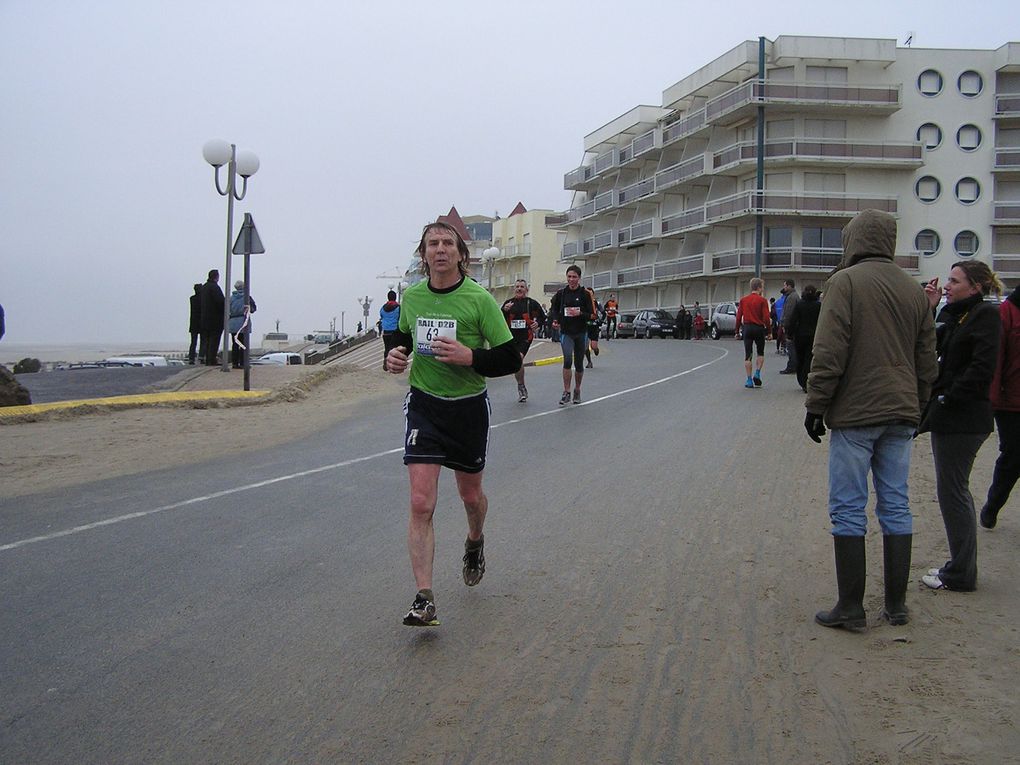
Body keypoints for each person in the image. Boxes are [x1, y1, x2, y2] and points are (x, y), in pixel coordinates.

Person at [805, 209, 937, 630]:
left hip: (857, 412)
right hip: (901, 411)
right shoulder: (913, 290)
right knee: (896, 504)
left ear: (854, 240)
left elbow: (829, 350)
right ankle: (896, 607)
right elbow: (926, 360)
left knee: (848, 507)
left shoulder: (844, 282)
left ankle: (851, 606)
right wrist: (917, 405)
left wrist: (816, 405)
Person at [385, 221, 521, 627]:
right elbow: (403, 338)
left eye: (447, 243)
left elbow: (510, 358)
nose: (440, 250)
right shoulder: (412, 297)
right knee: (420, 501)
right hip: (424, 406)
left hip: (467, 409)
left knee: (469, 495)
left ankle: (475, 541)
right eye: (432, 244)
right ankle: (424, 597)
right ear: (423, 255)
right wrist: (394, 356)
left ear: (461, 253)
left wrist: (470, 358)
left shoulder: (478, 300)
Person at [918, 261, 1001, 592]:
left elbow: (982, 367)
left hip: (963, 418)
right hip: (954, 416)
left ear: (976, 286)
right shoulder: (957, 316)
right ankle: (960, 567)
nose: (947, 285)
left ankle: (961, 574)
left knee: (952, 492)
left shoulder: (985, 316)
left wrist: (946, 399)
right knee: (953, 491)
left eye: (954, 281)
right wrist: (931, 308)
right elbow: (929, 348)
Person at [983, 286, 1020, 529]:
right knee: (1014, 456)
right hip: (1011, 402)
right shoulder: (1008, 311)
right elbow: (996, 359)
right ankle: (993, 504)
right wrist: (992, 400)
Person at [550, 264, 596, 405]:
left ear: (579, 278)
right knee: (567, 361)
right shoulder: (561, 294)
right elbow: (554, 310)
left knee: (579, 364)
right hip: (566, 333)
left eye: (574, 277)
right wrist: (555, 321)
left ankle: (577, 390)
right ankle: (566, 391)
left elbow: (593, 315)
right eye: (569, 277)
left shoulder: (585, 294)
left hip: (581, 333)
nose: (571, 279)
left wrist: (580, 313)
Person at [501, 279, 546, 402]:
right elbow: (499, 319)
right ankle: (521, 384)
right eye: (517, 287)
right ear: (514, 289)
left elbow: (543, 317)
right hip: (510, 337)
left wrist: (538, 323)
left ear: (526, 289)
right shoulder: (508, 304)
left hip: (525, 337)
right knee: (517, 363)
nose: (519, 289)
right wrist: (504, 310)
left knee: (518, 358)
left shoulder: (531, 303)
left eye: (522, 287)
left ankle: (521, 387)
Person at [735, 277, 772, 389]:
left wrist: (737, 331)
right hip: (759, 328)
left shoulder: (743, 300)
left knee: (748, 354)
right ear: (759, 287)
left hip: (747, 328)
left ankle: (749, 379)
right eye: (762, 287)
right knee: (760, 352)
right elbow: (766, 318)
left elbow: (738, 317)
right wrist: (769, 332)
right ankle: (757, 373)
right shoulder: (762, 300)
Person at [786, 284, 821, 391]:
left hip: (800, 335)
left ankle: (801, 380)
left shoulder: (800, 304)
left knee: (800, 358)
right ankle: (807, 381)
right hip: (814, 335)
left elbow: (793, 320)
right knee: (809, 358)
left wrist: (789, 334)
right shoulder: (818, 305)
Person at [227, 280, 257, 369]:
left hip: (233, 322)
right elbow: (253, 309)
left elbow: (227, 310)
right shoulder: (247, 297)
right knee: (243, 344)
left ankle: (235, 363)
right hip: (244, 322)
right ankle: (243, 363)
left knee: (235, 344)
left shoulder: (231, 298)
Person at [199, 269, 225, 366]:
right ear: (216, 277)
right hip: (215, 319)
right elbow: (220, 302)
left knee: (207, 340)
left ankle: (208, 359)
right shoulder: (214, 288)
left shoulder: (204, 287)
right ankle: (211, 360)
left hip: (204, 319)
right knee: (214, 341)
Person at [779, 279, 800, 373]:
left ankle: (792, 366)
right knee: (791, 347)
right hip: (793, 326)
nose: (784, 288)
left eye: (785, 286)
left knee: (791, 347)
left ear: (789, 286)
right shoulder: (793, 296)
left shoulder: (791, 297)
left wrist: (784, 325)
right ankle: (793, 365)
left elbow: (789, 313)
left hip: (791, 326)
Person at [379, 290, 401, 370]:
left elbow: (381, 316)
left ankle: (385, 361)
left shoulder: (383, 307)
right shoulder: (398, 307)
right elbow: (401, 318)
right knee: (395, 348)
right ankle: (393, 365)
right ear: (395, 297)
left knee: (387, 348)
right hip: (395, 331)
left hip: (385, 332)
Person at [584, 288, 604, 368]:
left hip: (594, 326)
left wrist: (601, 320)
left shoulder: (597, 303)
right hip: (585, 326)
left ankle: (596, 349)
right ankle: (589, 362)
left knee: (593, 346)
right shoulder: (583, 303)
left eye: (590, 294)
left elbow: (603, 313)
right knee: (585, 346)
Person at [188, 284, 202, 365]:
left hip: (193, 322)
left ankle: (191, 358)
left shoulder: (192, 299)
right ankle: (201, 356)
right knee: (203, 340)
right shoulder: (203, 299)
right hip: (201, 321)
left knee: (193, 342)